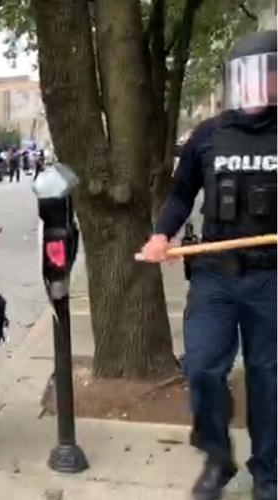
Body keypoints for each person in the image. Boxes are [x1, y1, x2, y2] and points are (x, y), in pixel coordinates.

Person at [138, 30, 276, 500]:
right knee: (201, 369)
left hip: (270, 278)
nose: (256, 84)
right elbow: (181, 195)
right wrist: (161, 234)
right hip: (215, 274)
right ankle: (217, 457)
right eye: (247, 75)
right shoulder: (208, 135)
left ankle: (269, 473)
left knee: (268, 378)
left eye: (266, 72)